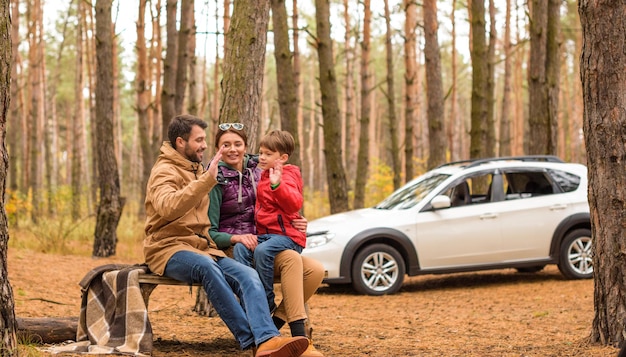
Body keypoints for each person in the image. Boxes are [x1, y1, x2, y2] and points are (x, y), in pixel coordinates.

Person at [143, 114, 308, 357]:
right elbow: (168, 207)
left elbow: (267, 173)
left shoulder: (197, 167)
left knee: (248, 275)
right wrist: (206, 181)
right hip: (168, 247)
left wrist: (295, 219)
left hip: (202, 247)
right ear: (181, 142)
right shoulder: (165, 171)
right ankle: (252, 340)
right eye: (199, 140)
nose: (205, 145)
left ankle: (268, 340)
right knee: (206, 268)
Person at [208, 124, 325, 357]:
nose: (233, 150)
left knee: (316, 271)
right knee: (291, 259)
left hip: (265, 241)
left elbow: (286, 197)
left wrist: (297, 219)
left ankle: (278, 327)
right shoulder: (214, 179)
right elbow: (210, 232)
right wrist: (236, 237)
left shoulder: (259, 168)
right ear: (218, 149)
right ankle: (295, 337)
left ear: (245, 147)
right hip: (235, 248)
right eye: (226, 145)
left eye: (238, 144)